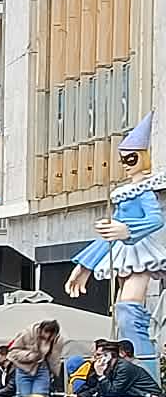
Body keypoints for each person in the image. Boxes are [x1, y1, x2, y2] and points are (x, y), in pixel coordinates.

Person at [64, 114, 164, 357]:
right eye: (124, 159)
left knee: (129, 313)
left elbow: (155, 220)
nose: (127, 163)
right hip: (124, 250)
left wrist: (127, 230)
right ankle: (132, 365)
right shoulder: (125, 192)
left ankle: (145, 372)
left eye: (132, 158)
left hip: (140, 250)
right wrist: (84, 266)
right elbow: (110, 231)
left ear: (143, 157)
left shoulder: (144, 190)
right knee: (122, 313)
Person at [3, 318, 61, 397]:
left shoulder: (57, 339)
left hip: (43, 368)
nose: (48, 336)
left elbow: (55, 358)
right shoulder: (27, 333)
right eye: (46, 332)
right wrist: (29, 356)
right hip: (24, 369)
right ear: (40, 329)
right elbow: (12, 352)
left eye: (51, 334)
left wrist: (55, 374)